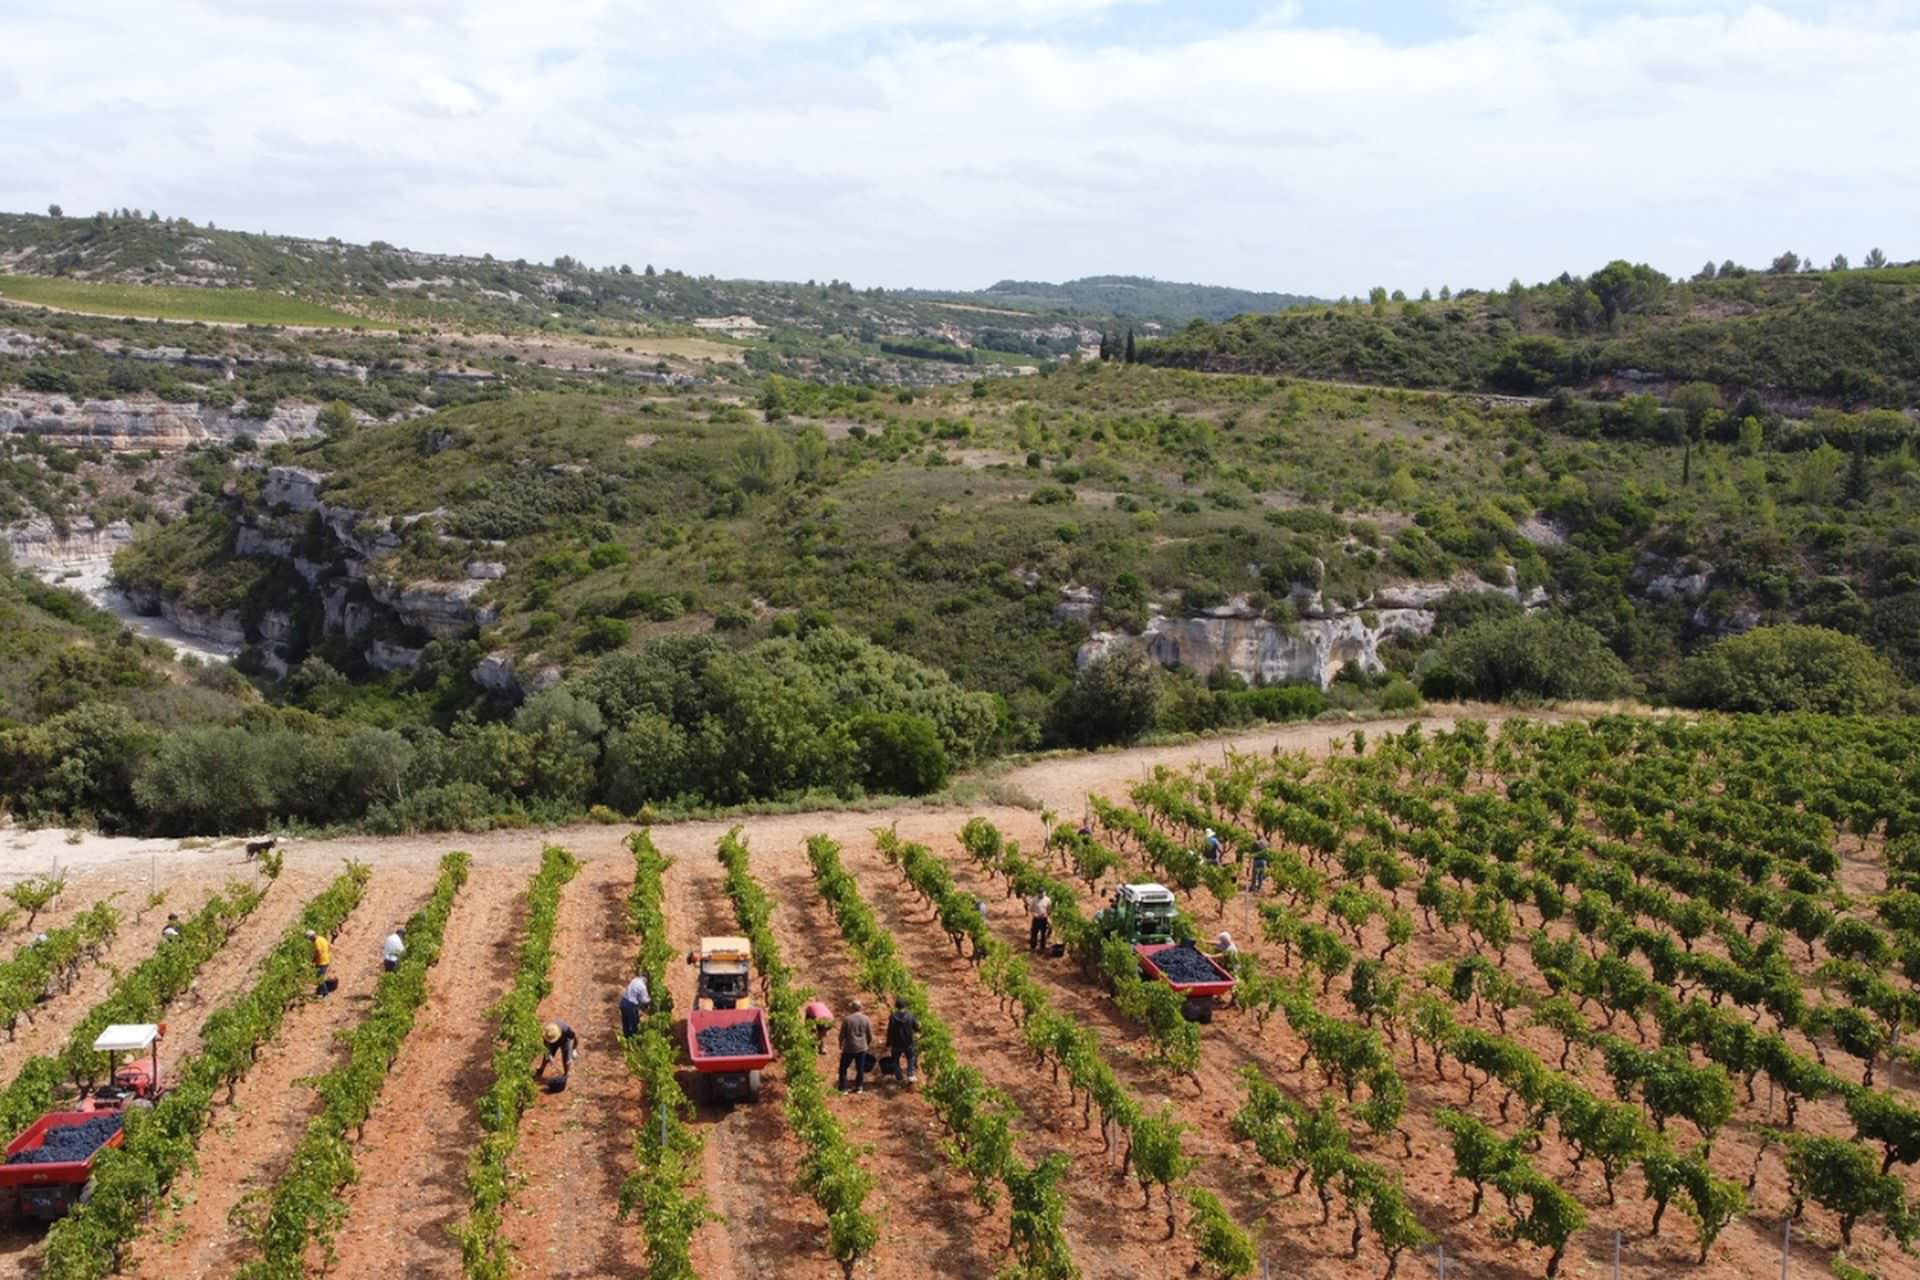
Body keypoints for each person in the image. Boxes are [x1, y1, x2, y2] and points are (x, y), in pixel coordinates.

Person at [837, 998, 874, 1094]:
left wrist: (840, 1043)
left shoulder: (847, 1019)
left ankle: (843, 1088)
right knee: (860, 1068)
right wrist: (867, 1044)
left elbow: (842, 1034)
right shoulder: (866, 1019)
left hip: (849, 1047)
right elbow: (870, 1035)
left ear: (852, 1008)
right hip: (862, 1047)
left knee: (843, 1068)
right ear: (860, 1008)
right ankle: (859, 1087)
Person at [882, 998, 919, 1084]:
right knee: (911, 1058)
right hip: (908, 1043)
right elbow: (917, 1027)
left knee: (895, 1060)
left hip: (896, 1043)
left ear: (896, 1006)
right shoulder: (910, 1016)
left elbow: (890, 1031)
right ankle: (910, 1074)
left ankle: (899, 1077)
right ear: (905, 1006)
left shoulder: (893, 1017)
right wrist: (917, 1031)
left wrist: (888, 1043)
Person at [619, 973, 651, 1037]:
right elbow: (645, 1000)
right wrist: (649, 1002)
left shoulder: (635, 980)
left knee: (625, 1023)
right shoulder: (642, 986)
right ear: (646, 980)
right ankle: (634, 1039)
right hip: (630, 1005)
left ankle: (627, 1038)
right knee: (634, 1024)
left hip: (623, 1002)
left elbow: (635, 993)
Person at [307, 929, 332, 998]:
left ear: (312, 937)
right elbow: (328, 946)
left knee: (320, 978)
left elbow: (318, 952)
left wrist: (313, 960)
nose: (310, 941)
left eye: (310, 939)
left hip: (321, 962)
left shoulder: (316, 942)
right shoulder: (322, 938)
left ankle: (326, 994)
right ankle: (320, 992)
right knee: (319, 977)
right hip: (326, 960)